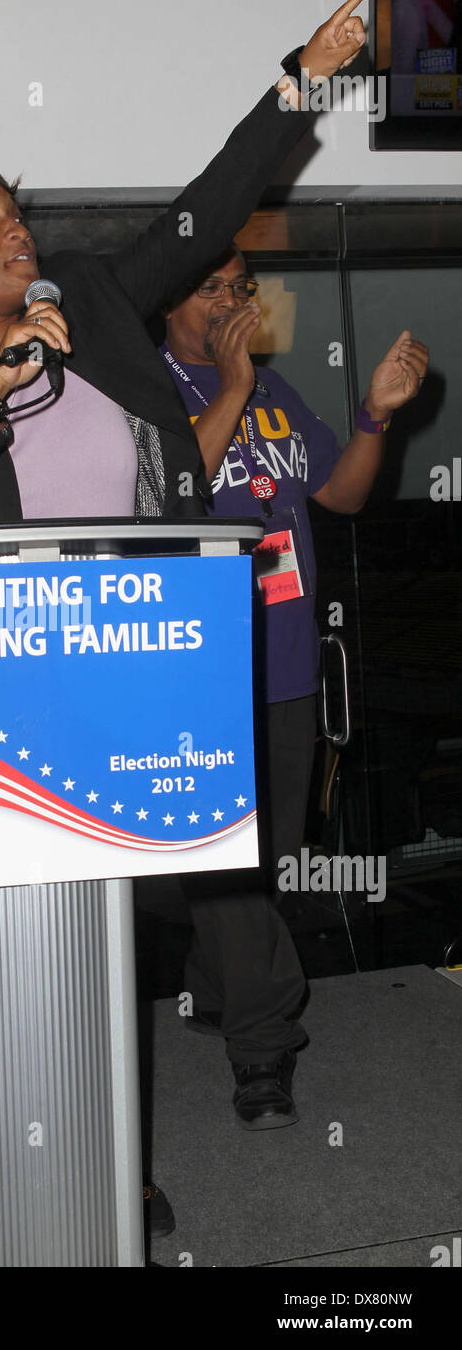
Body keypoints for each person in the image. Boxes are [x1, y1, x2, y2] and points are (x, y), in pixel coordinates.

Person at [0, 0, 372, 1263]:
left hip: (128, 667)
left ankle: (110, 1169)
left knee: (106, 940)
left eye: (14, 212)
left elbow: (201, 207)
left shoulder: (90, 295)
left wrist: (301, 77)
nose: (14, 230)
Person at [160, 244, 428, 1125]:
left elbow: (339, 498)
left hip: (283, 664)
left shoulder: (274, 395)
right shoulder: (145, 394)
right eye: (213, 290)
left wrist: (374, 419)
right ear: (168, 302)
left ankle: (212, 987)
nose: (235, 303)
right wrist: (231, 385)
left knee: (262, 856)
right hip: (194, 672)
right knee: (230, 863)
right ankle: (264, 1048)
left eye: (241, 288)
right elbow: (169, 494)